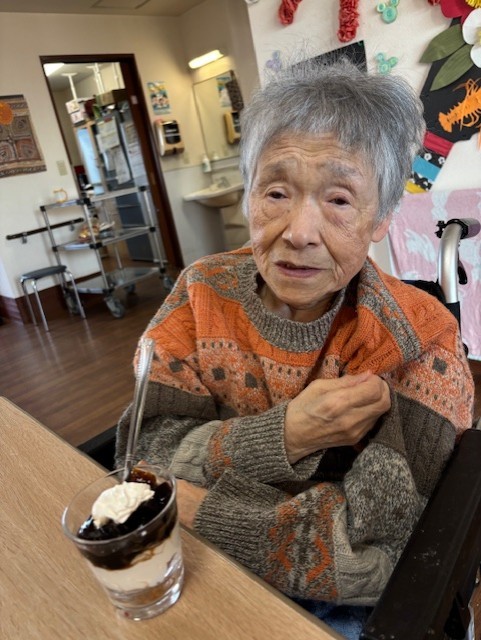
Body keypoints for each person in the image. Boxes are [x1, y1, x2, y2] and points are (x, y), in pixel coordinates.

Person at [115, 58, 474, 638]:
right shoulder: (199, 293)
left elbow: (377, 557)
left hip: (335, 611)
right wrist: (287, 436)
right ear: (249, 197)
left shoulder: (417, 337)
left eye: (339, 200)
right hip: (195, 571)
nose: (299, 232)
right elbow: (141, 463)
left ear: (381, 218)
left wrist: (199, 507)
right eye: (276, 192)